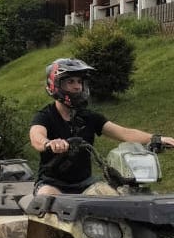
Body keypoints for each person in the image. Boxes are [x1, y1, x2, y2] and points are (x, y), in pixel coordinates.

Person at [29, 58, 174, 195]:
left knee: (116, 198)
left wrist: (156, 138)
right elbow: (36, 136)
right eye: (70, 81)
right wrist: (49, 143)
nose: (77, 86)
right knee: (47, 196)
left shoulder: (88, 117)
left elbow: (124, 133)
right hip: (52, 184)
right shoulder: (45, 115)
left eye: (80, 81)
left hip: (85, 183)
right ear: (55, 85)